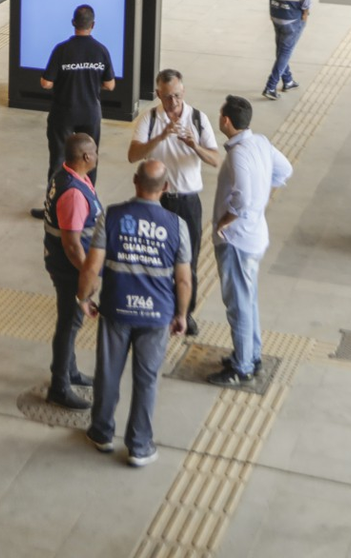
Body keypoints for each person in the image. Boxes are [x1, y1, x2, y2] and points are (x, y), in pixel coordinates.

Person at [77, 160, 191, 467]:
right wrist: (181, 314)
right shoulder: (176, 225)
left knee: (108, 373)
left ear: (134, 181)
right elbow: (183, 278)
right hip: (157, 316)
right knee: (147, 380)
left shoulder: (111, 215)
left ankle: (101, 433)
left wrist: (84, 297)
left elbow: (91, 266)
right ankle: (140, 446)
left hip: (116, 308)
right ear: (166, 188)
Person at [125, 68, 219, 336]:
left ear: (184, 92)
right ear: (158, 95)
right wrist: (162, 135)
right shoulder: (149, 120)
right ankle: (157, 310)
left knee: (188, 261)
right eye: (167, 97)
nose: (173, 103)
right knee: (154, 258)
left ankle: (184, 314)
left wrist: (194, 145)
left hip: (188, 201)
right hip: (158, 202)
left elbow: (215, 159)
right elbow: (133, 155)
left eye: (177, 96)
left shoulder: (198, 119)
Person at [207, 95, 292, 387]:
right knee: (249, 298)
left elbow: (241, 197)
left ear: (226, 121)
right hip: (255, 237)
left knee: (238, 304)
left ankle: (242, 366)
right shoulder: (262, 143)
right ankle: (252, 355)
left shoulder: (239, 154)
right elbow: (285, 170)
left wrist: (224, 221)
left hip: (236, 242)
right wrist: (263, 196)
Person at [33, 4, 115, 218]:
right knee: (90, 158)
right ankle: (89, 205)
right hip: (90, 112)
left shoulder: (61, 49)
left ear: (73, 23)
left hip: (63, 112)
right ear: (93, 25)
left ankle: (53, 206)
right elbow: (110, 85)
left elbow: (46, 83)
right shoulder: (101, 50)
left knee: (58, 158)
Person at [40, 133, 102, 410]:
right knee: (69, 322)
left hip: (66, 264)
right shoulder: (74, 194)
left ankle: (70, 370)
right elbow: (72, 244)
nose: (98, 156)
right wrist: (90, 274)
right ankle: (59, 386)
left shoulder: (67, 176)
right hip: (69, 269)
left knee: (70, 321)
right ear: (86, 157)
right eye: (95, 152)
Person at [263, 0, 311, 99]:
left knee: (281, 50)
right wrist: (305, 15)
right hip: (292, 17)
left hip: (276, 13)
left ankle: (288, 80)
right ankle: (270, 87)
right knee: (285, 52)